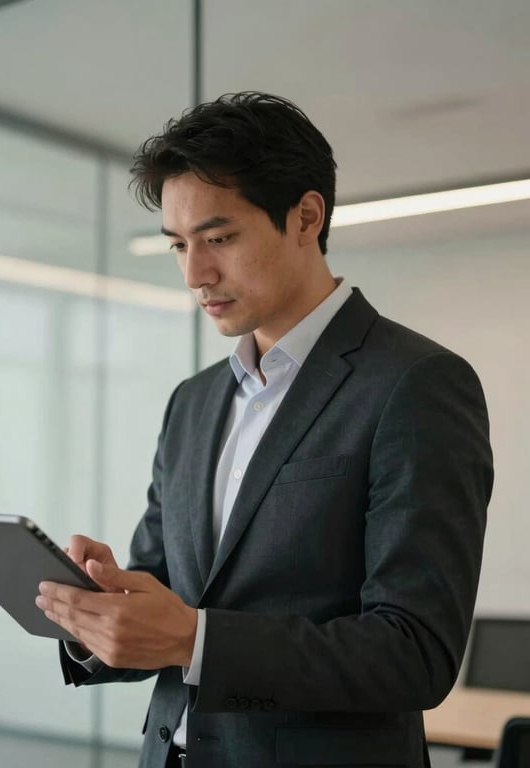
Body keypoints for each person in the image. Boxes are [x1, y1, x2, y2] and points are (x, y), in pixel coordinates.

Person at [35, 92, 493, 768]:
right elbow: (166, 591)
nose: (195, 274)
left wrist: (195, 639)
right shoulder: (192, 403)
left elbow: (414, 653)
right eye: (179, 245)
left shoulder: (416, 384)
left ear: (306, 217)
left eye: (219, 238)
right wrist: (101, 613)